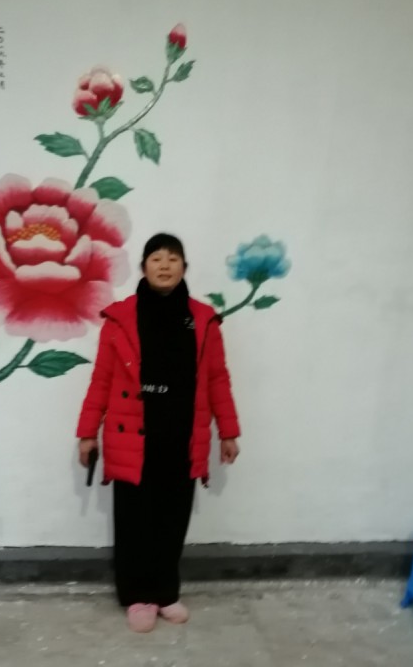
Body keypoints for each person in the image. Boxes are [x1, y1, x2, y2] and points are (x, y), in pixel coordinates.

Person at [76, 233, 241, 633]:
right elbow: (102, 380)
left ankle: (165, 592)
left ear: (184, 267)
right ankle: (137, 595)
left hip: (182, 435)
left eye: (172, 258)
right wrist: (87, 432)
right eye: (156, 258)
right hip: (132, 434)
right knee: (135, 519)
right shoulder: (120, 318)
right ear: (143, 267)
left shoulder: (203, 320)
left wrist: (228, 431)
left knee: (172, 517)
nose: (164, 265)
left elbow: (217, 379)